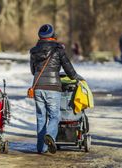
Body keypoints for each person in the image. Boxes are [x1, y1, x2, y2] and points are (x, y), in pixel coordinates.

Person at [30, 24, 84, 154]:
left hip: (38, 87)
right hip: (53, 87)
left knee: (41, 117)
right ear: (52, 35)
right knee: (55, 115)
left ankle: (41, 148)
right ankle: (50, 135)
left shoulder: (34, 51)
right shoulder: (58, 49)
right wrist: (76, 78)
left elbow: (33, 71)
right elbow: (68, 68)